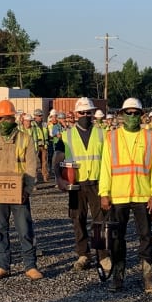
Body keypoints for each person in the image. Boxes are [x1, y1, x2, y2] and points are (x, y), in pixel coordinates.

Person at [98, 98, 152, 293]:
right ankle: (118, 276)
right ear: (121, 115)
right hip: (119, 195)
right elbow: (106, 167)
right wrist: (104, 193)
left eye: (135, 113)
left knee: (146, 237)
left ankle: (148, 277)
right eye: (128, 113)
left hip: (143, 195)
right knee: (117, 238)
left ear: (142, 115)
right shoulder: (112, 137)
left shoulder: (150, 137)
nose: (132, 116)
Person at [0, 100, 43, 280]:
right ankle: (2, 266)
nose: (5, 121)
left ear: (14, 118)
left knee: (25, 230)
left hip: (19, 193)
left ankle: (30, 266)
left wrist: (27, 190)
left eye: (8, 118)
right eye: (2, 118)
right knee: (0, 230)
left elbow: (31, 166)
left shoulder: (24, 139)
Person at [57, 97, 107, 271]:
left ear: (93, 113)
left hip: (98, 183)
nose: (85, 115)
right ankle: (83, 254)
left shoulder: (103, 133)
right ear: (76, 114)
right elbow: (57, 158)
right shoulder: (66, 136)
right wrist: (59, 178)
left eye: (88, 112)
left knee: (99, 220)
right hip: (75, 185)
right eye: (82, 112)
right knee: (77, 219)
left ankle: (103, 255)